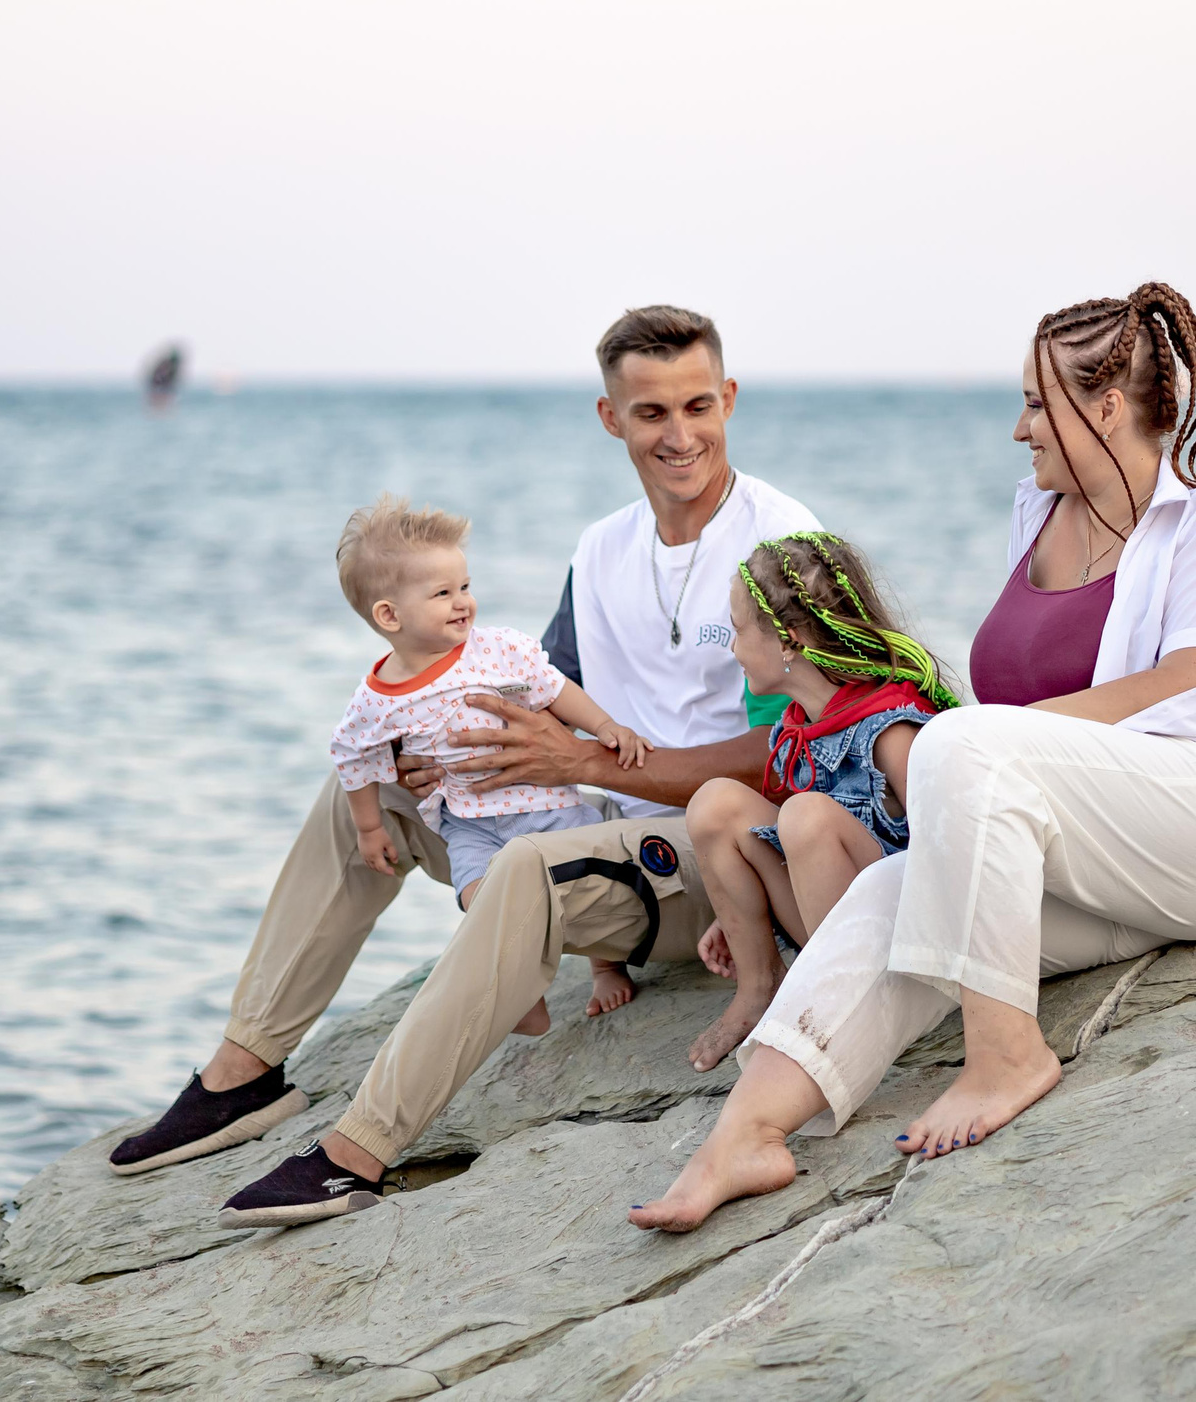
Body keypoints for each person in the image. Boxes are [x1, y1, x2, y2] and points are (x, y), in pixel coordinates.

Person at [632, 283, 1196, 1233]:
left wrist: (1008, 738)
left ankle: (1006, 1056)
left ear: (1103, 407)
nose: (1020, 428)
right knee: (897, 888)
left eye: (1034, 402)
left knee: (962, 739)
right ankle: (748, 1135)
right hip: (1087, 855)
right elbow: (1003, 750)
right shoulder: (1040, 515)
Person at [104, 304, 820, 1229]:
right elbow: (538, 694)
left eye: (696, 406)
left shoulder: (781, 541)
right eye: (650, 414)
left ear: (727, 399)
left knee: (525, 870)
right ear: (612, 419)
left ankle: (355, 1151)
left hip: (712, 863)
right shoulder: (601, 550)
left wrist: (587, 761)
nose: (679, 436)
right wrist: (428, 750)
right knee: (367, 787)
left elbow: (802, 749)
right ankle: (246, 1069)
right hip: (593, 832)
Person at [327, 494, 650, 1030]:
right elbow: (352, 756)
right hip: (468, 823)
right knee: (481, 900)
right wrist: (368, 827)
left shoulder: (497, 650)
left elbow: (555, 688)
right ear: (389, 615)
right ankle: (522, 990)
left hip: (542, 802)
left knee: (590, 886)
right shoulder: (375, 699)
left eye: (465, 587)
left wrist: (605, 728)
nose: (463, 603)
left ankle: (605, 966)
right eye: (443, 593)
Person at [681, 532, 958, 1074]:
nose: (731, 647)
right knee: (716, 802)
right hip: (833, 930)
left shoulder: (892, 729)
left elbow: (952, 852)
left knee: (804, 816)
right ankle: (760, 990)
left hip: (899, 949)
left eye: (739, 630)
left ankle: (839, 1015)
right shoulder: (802, 727)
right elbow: (771, 839)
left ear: (788, 641)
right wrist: (740, 910)